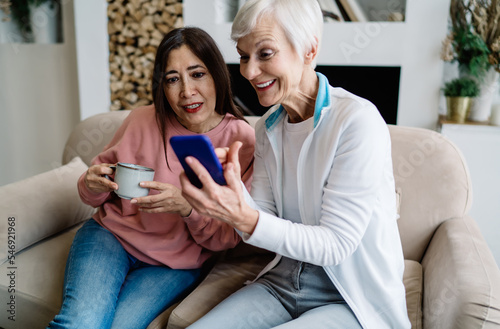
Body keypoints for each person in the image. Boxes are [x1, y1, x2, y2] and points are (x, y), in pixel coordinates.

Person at [180, 1, 411, 328]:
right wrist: (228, 191)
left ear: (309, 50)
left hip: (351, 297)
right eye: (244, 55)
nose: (247, 71)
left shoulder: (356, 122)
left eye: (265, 53)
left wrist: (245, 218)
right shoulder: (266, 127)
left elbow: (336, 246)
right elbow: (260, 219)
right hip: (283, 282)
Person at [47, 27, 255, 329]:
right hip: (110, 239)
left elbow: (228, 236)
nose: (186, 91)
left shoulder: (240, 139)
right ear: (162, 85)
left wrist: (188, 207)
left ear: (217, 75)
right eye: (173, 79)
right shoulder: (141, 119)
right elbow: (95, 191)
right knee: (81, 323)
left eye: (197, 74)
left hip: (175, 265)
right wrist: (90, 183)